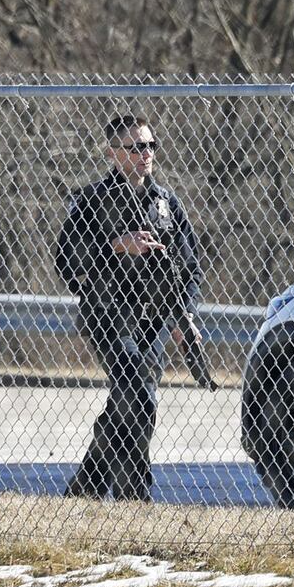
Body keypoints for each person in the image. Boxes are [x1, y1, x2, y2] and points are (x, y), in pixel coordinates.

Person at [55, 115, 203, 500]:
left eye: (150, 145)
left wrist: (182, 316)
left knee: (135, 398)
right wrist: (116, 245)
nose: (145, 154)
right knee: (136, 389)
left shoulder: (166, 202)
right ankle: (133, 493)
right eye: (136, 147)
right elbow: (67, 261)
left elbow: (189, 266)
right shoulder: (91, 201)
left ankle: (87, 486)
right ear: (113, 153)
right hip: (107, 316)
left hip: (153, 320)